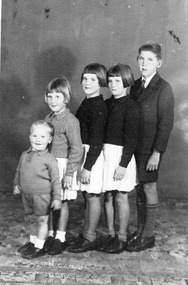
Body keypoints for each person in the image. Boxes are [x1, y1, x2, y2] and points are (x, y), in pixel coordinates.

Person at [127, 41, 174, 252]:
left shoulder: (164, 88)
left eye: (150, 60)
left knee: (148, 187)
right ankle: (139, 230)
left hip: (150, 148)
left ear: (159, 63)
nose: (144, 63)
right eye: (141, 59)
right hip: (135, 146)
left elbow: (166, 124)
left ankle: (148, 235)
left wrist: (157, 153)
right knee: (138, 189)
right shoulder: (135, 86)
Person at [96, 63, 140, 254]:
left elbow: (131, 139)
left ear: (127, 82)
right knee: (108, 196)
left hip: (122, 156)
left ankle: (122, 236)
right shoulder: (106, 104)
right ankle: (111, 234)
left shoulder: (131, 106)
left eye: (118, 81)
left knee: (121, 196)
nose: (113, 85)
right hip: (106, 154)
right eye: (111, 81)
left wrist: (123, 164)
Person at [67, 63, 108, 253]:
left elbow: (98, 141)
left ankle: (90, 236)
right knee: (87, 195)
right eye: (85, 78)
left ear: (101, 82)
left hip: (93, 156)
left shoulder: (98, 105)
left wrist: (88, 167)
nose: (87, 82)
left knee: (92, 196)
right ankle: (86, 233)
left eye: (93, 79)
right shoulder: (87, 102)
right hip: (84, 153)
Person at [43, 77, 83, 255]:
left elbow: (77, 148)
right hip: (49, 165)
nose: (53, 100)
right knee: (49, 201)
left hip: (63, 166)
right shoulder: (48, 118)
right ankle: (50, 234)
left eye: (57, 96)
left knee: (62, 202)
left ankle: (60, 236)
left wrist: (69, 173)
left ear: (66, 98)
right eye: (49, 96)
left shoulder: (71, 121)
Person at [13, 120, 62, 259]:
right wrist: (16, 184)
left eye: (42, 137)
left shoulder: (50, 159)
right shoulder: (24, 154)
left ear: (49, 139)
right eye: (35, 136)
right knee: (31, 220)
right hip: (27, 195)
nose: (38, 140)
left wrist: (57, 198)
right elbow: (19, 171)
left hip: (42, 196)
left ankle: (39, 246)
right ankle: (33, 242)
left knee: (42, 221)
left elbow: (56, 181)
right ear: (29, 137)